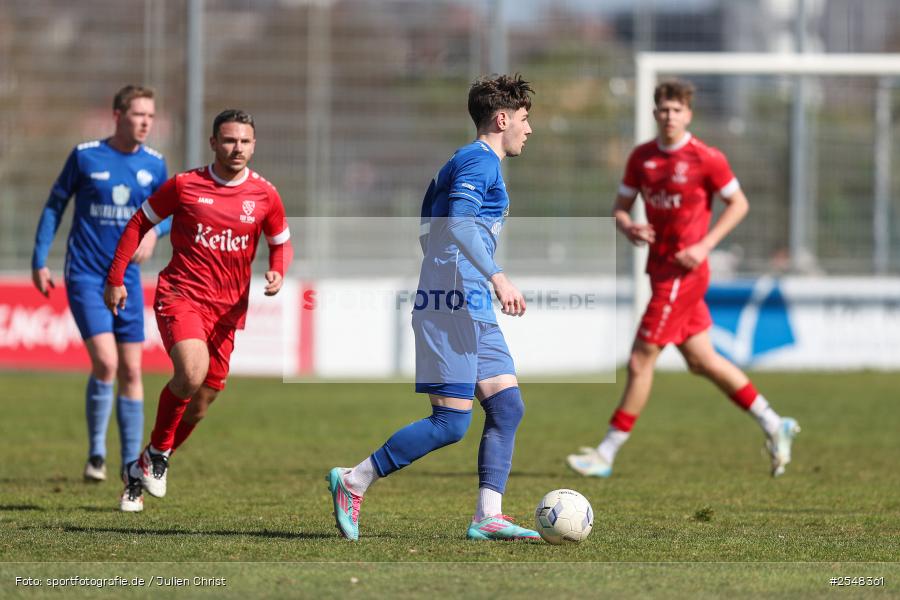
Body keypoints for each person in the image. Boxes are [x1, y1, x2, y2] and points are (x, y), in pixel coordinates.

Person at [327, 74, 540, 542]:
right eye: (524, 119)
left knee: (507, 407)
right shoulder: (478, 161)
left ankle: (488, 516)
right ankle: (354, 480)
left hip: (470, 303)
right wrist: (496, 276)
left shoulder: (464, 163)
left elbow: (431, 233)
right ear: (501, 119)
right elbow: (459, 225)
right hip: (453, 303)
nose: (528, 129)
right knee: (450, 424)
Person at [566, 80, 800, 479]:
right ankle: (775, 423)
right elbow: (620, 208)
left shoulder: (706, 158)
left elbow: (739, 203)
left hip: (684, 274)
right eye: (663, 109)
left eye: (677, 110)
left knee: (640, 359)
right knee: (702, 360)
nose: (669, 116)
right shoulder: (642, 158)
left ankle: (606, 452)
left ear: (688, 114)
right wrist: (629, 226)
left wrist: (705, 244)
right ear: (654, 113)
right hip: (660, 271)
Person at [104, 109, 292, 512]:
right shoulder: (186, 185)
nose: (237, 148)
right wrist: (116, 277)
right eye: (229, 140)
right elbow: (139, 222)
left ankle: (142, 466)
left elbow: (280, 241)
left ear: (254, 145)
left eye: (244, 141)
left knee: (202, 402)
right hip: (181, 296)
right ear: (213, 143)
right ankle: (158, 455)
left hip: (227, 312)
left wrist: (278, 270)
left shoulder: (265, 194)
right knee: (191, 372)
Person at [31, 85, 170, 500]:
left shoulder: (154, 164)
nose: (145, 122)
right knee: (107, 362)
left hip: (128, 278)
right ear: (117, 115)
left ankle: (131, 468)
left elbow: (169, 213)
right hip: (86, 275)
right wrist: (39, 257)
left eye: (151, 115)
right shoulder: (86, 156)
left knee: (132, 371)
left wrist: (155, 233)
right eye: (138, 114)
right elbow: (55, 205)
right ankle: (96, 452)